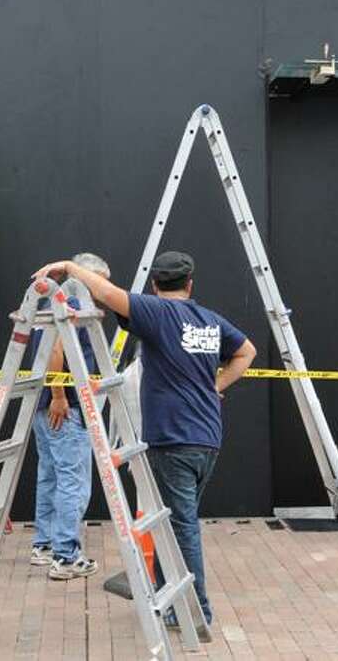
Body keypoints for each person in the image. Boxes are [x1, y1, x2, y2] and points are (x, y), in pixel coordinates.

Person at [32, 251, 256, 625]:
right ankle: (171, 595)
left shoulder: (155, 312)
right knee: (175, 523)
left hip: (173, 439)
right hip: (207, 438)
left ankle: (193, 612)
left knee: (180, 527)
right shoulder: (209, 321)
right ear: (190, 284)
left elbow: (105, 292)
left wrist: (70, 269)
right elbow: (246, 352)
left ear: (155, 286)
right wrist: (215, 386)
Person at [28, 252, 110, 580]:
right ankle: (65, 556)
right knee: (73, 482)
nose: (102, 290)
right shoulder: (71, 306)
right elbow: (56, 350)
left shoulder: (48, 306)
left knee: (50, 477)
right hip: (66, 408)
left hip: (43, 407)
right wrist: (61, 395)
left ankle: (44, 546)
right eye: (99, 282)